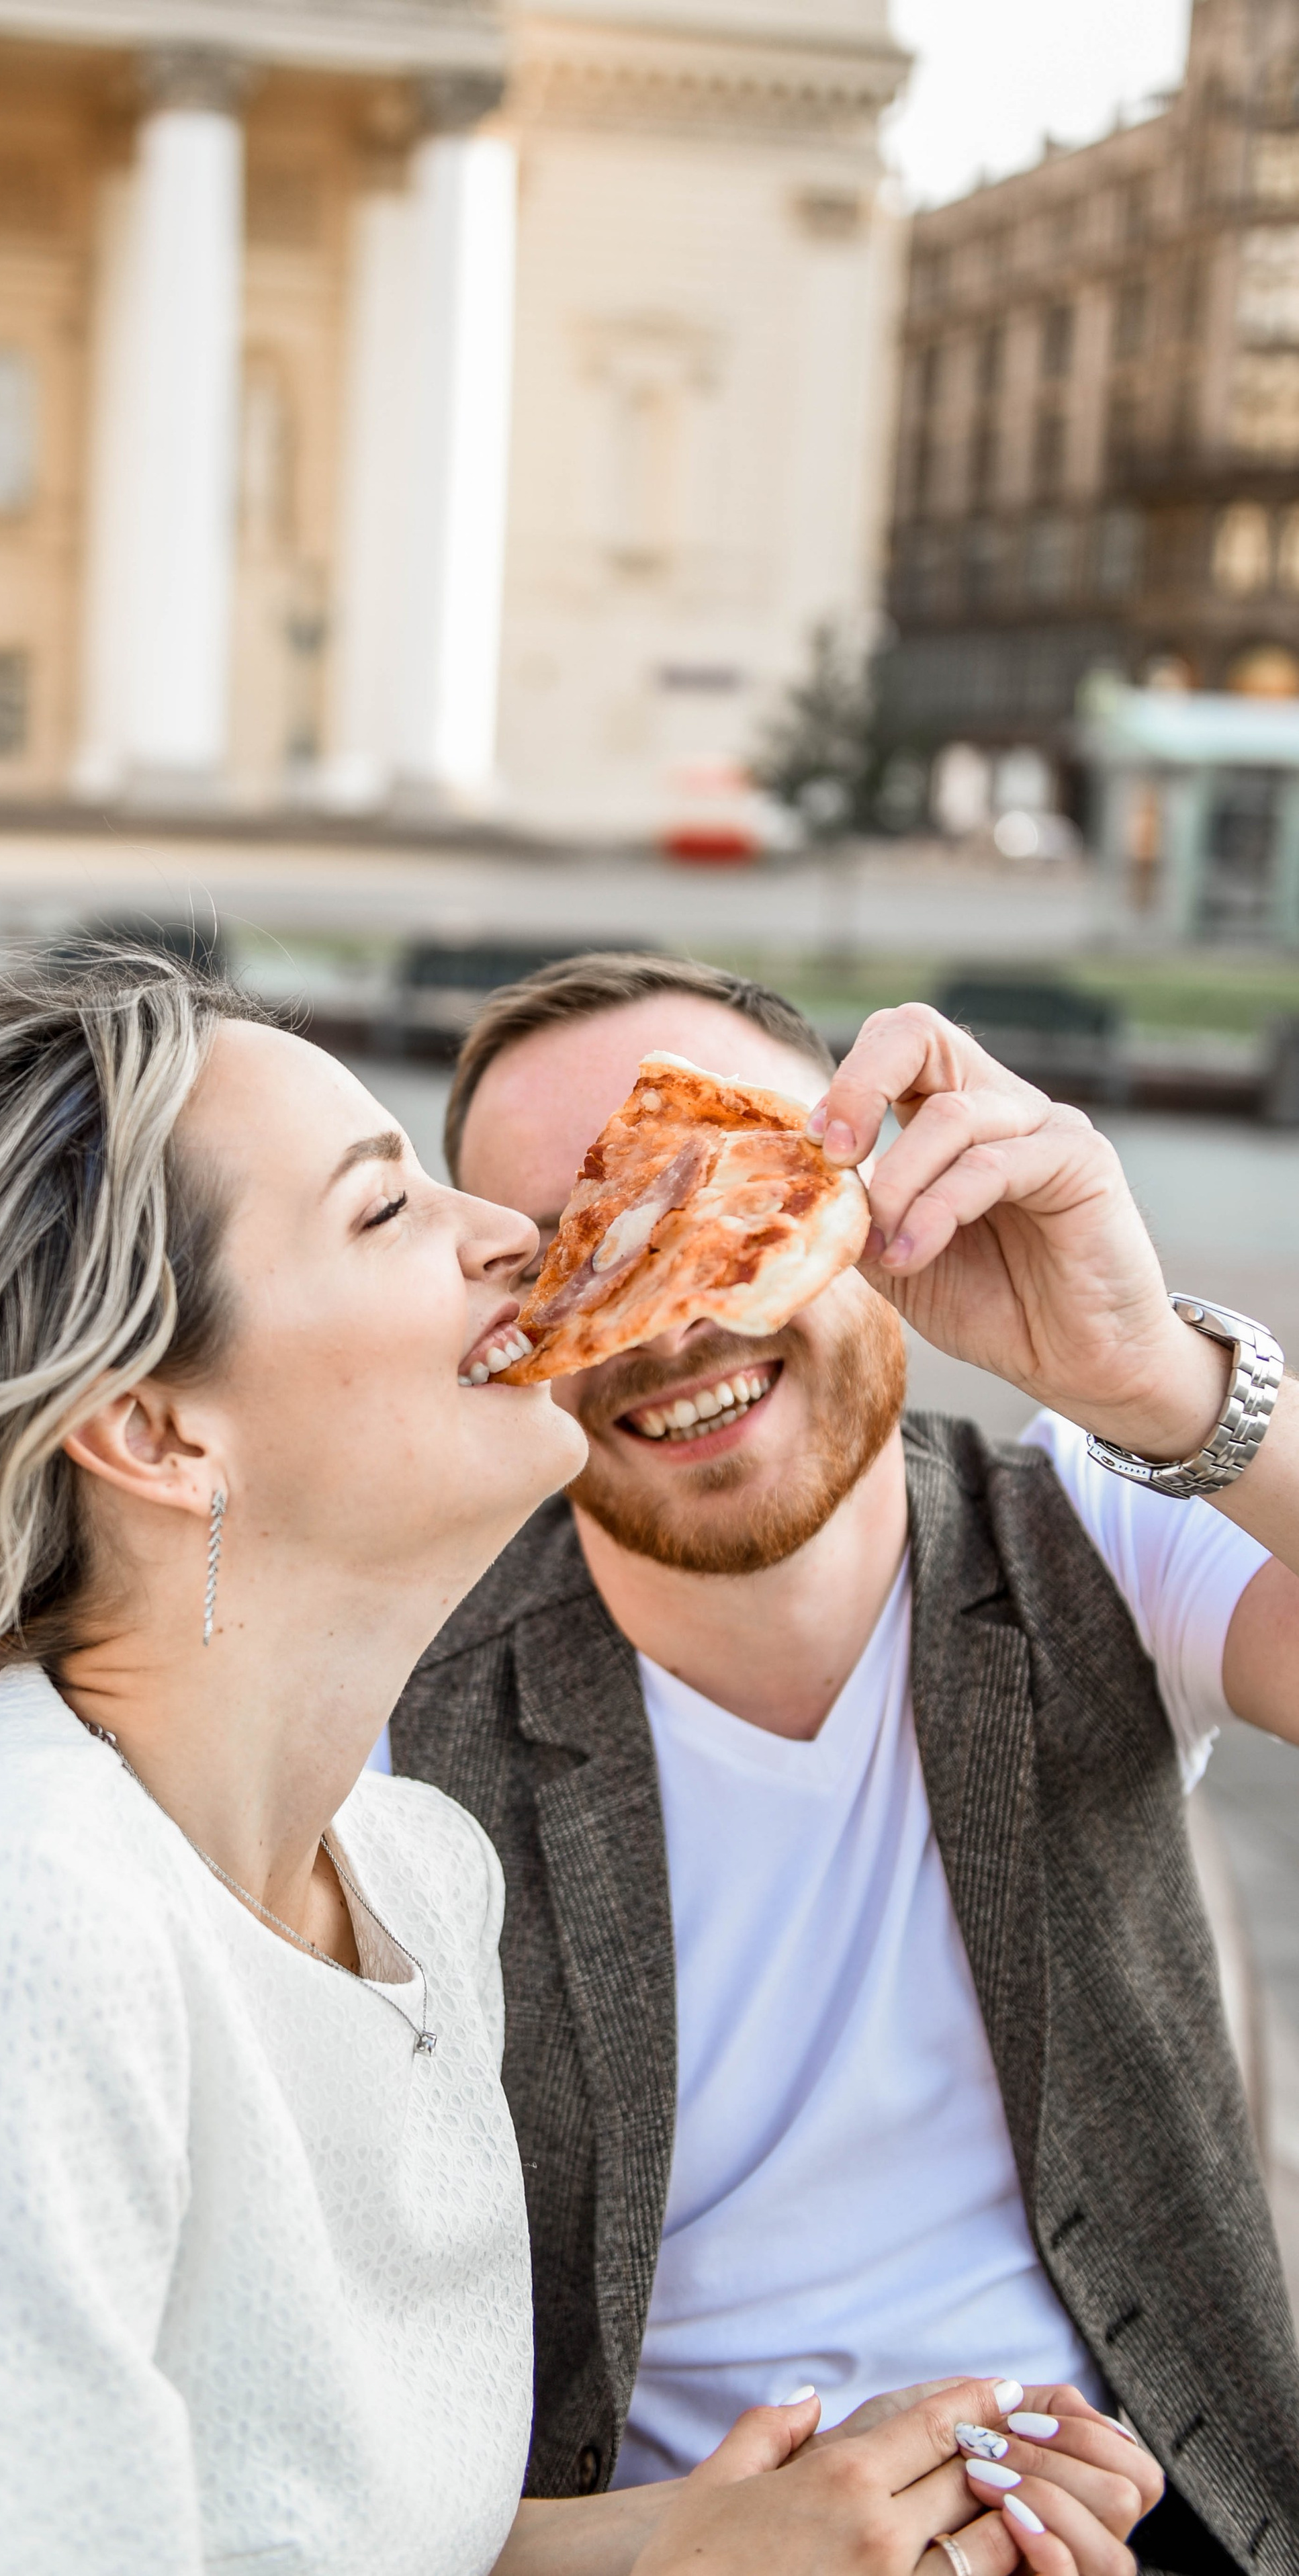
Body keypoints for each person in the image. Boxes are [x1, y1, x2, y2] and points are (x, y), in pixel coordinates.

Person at [0, 953, 1147, 2576]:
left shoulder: (411, 1872)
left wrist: (699, 2535)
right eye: (382, 1211)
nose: (515, 1236)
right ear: (154, 1433)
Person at [385, 954, 1299, 2576]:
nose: (671, 1315)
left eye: (710, 1195)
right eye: (575, 1255)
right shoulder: (395, 1719)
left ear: (865, 1197)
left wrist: (1149, 1374)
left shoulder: (1093, 1530)